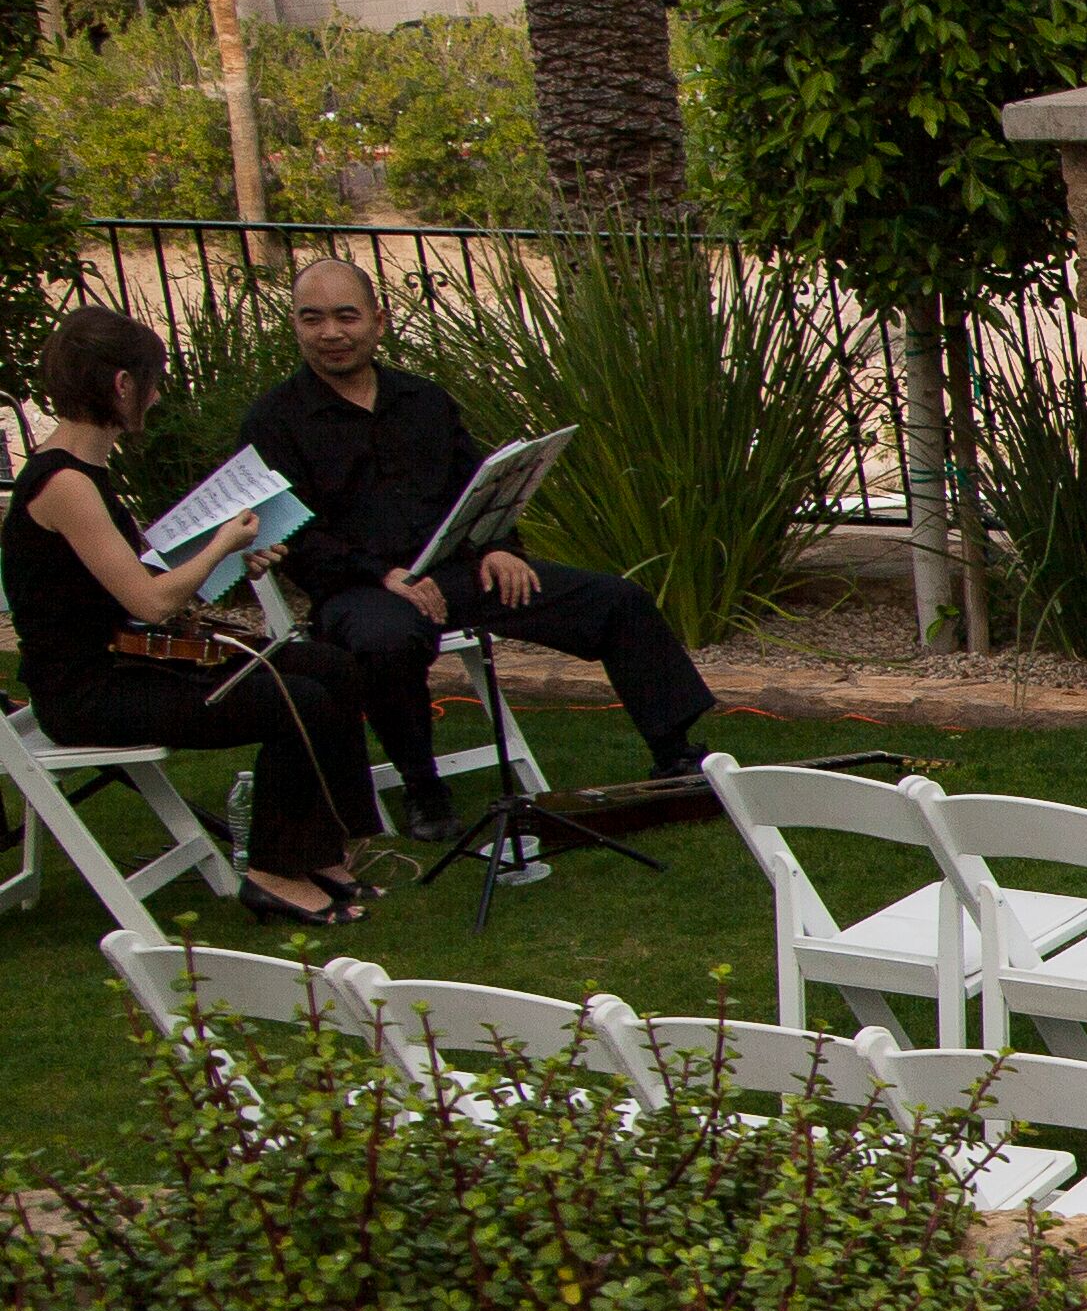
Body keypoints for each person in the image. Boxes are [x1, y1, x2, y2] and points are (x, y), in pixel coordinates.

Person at [248, 254, 715, 828]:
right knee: (386, 641)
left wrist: (500, 547)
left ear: (379, 320)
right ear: (294, 325)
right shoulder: (272, 419)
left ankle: (676, 756)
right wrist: (384, 577)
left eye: (347, 316)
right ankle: (424, 788)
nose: (331, 334)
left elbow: (479, 484)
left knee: (616, 601)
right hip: (359, 589)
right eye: (312, 319)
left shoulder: (423, 399)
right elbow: (294, 534)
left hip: (459, 573)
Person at [13, 304, 389, 930]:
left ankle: (323, 851)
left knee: (332, 667)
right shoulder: (65, 484)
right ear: (121, 385)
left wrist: (233, 557)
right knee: (298, 701)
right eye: (151, 382)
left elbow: (148, 582)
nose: (156, 397)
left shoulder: (88, 472)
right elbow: (151, 601)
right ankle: (271, 871)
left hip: (133, 657)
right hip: (89, 688)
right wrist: (221, 544)